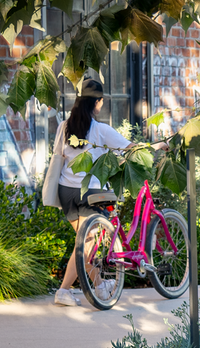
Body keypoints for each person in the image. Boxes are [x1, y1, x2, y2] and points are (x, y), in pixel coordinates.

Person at [45, 76, 134, 306]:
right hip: (89, 194)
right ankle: (63, 291)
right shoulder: (100, 130)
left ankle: (99, 285)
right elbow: (130, 148)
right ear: (97, 102)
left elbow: (58, 156)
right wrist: (158, 146)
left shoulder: (65, 126)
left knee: (83, 242)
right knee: (86, 244)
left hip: (67, 193)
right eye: (101, 101)